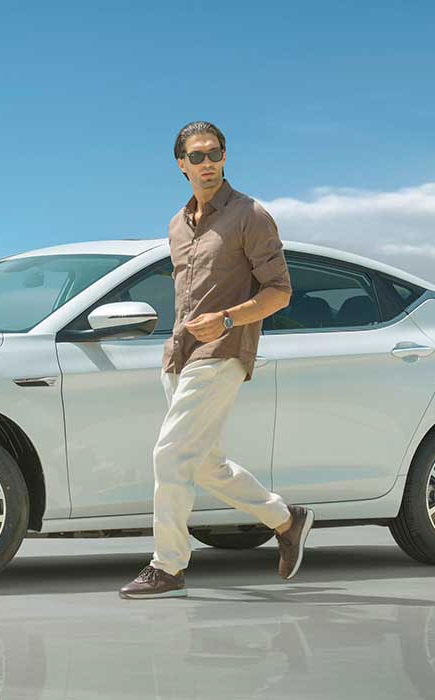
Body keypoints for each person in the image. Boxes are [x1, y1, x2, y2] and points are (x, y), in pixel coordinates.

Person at [119, 120, 314, 600]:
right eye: (197, 156)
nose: (207, 163)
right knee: (206, 465)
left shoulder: (251, 215)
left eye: (215, 154)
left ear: (224, 157)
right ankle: (286, 520)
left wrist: (228, 320)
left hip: (223, 350)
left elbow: (280, 292)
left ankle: (168, 566)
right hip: (179, 354)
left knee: (170, 454)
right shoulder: (176, 225)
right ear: (181, 164)